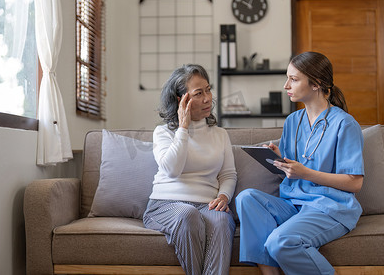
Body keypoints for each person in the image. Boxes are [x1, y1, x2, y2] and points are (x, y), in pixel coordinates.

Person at [236, 51, 364, 275]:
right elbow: (293, 170)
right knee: (246, 197)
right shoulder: (293, 121)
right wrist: (279, 159)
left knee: (280, 241)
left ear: (316, 84)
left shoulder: (345, 124)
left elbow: (354, 183)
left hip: (329, 207)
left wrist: (305, 173)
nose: (286, 85)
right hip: (293, 204)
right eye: (287, 78)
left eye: (293, 79)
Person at [143, 64, 237, 275]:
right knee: (188, 214)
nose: (207, 98)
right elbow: (172, 170)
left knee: (222, 220)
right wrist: (183, 128)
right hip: (166, 205)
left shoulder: (220, 134)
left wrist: (223, 196)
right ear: (181, 100)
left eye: (208, 89)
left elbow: (228, 174)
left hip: (206, 205)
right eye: (198, 93)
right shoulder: (163, 132)